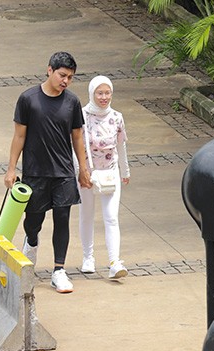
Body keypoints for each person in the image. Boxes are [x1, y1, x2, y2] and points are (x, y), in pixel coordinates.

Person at [4, 51, 91, 293]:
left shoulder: (72, 102)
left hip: (63, 172)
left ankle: (59, 270)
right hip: (36, 172)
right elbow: (19, 136)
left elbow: (77, 137)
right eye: (62, 75)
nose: (66, 81)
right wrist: (12, 169)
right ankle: (30, 245)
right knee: (34, 221)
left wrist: (83, 169)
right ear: (49, 70)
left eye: (71, 77)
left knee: (62, 218)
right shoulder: (28, 99)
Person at [79, 75, 130, 279]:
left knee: (111, 217)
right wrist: (80, 170)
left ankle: (114, 261)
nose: (104, 97)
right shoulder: (82, 115)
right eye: (99, 93)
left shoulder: (117, 117)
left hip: (110, 173)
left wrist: (124, 171)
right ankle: (88, 257)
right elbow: (77, 146)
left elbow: (121, 145)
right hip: (88, 174)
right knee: (87, 214)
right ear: (92, 93)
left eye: (107, 93)